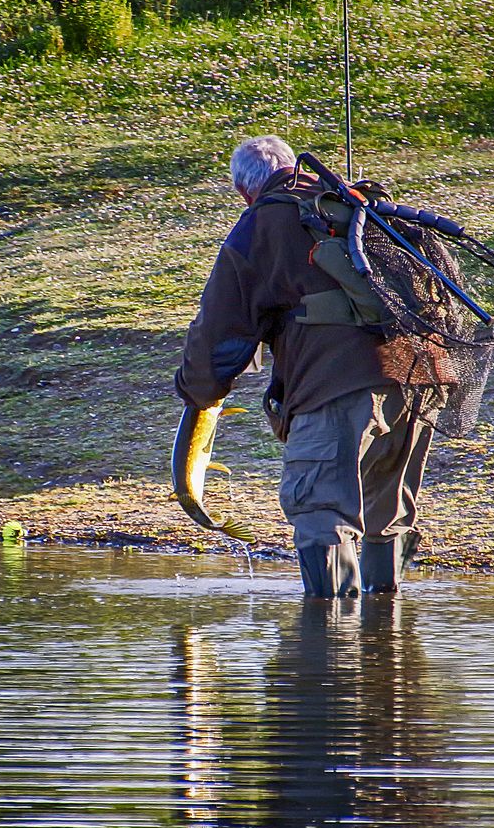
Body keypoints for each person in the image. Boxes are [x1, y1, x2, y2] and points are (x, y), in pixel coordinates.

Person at [174, 135, 444, 598]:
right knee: (387, 507)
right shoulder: (355, 205)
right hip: (423, 376)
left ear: (244, 191)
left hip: (338, 384)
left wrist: (200, 393)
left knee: (320, 507)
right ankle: (386, 634)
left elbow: (220, 331)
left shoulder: (262, 224)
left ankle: (328, 638)